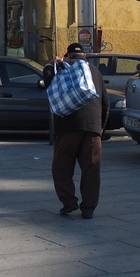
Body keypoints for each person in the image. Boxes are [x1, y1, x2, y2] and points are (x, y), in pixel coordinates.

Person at [42, 43, 108, 219]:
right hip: (93, 128)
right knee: (91, 169)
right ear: (84, 56)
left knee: (61, 167)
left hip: (68, 128)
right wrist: (100, 128)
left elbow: (48, 80)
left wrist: (51, 64)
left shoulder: (65, 69)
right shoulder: (95, 72)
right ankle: (89, 209)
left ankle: (69, 202)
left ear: (69, 56)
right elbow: (105, 102)